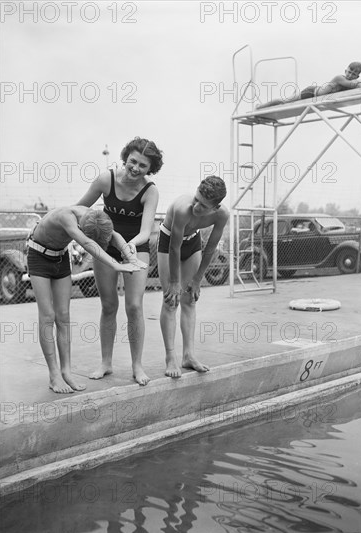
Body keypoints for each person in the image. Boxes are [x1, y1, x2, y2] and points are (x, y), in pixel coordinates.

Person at [27, 206, 145, 394]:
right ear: (83, 230)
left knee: (63, 316)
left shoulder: (93, 216)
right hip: (39, 257)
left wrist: (131, 257)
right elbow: (89, 245)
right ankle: (54, 375)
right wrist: (117, 265)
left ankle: (66, 372)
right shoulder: (67, 218)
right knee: (48, 315)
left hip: (60, 258)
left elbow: (114, 235)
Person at [76, 137, 163, 386]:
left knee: (134, 306)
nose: (136, 168)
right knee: (109, 305)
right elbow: (80, 208)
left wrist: (128, 247)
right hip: (105, 246)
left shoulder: (150, 191)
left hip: (136, 247)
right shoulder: (107, 180)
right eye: (133, 161)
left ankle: (137, 366)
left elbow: (147, 231)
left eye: (143, 165)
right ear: (125, 158)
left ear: (150, 169)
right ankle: (106, 363)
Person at [157, 176, 229, 379]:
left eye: (204, 205)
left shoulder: (222, 215)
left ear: (215, 207)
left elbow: (211, 248)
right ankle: (170, 357)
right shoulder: (182, 209)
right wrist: (173, 282)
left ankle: (188, 355)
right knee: (171, 300)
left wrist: (197, 279)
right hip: (169, 241)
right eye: (196, 198)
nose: (196, 206)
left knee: (189, 299)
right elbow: (174, 247)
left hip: (193, 241)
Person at [257, 62, 361, 109]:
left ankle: (262, 106)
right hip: (311, 92)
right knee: (284, 101)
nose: (350, 75)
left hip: (316, 94)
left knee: (285, 101)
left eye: (354, 74)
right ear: (345, 71)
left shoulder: (354, 81)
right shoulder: (339, 78)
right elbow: (355, 85)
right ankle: (260, 106)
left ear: (357, 76)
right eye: (349, 72)